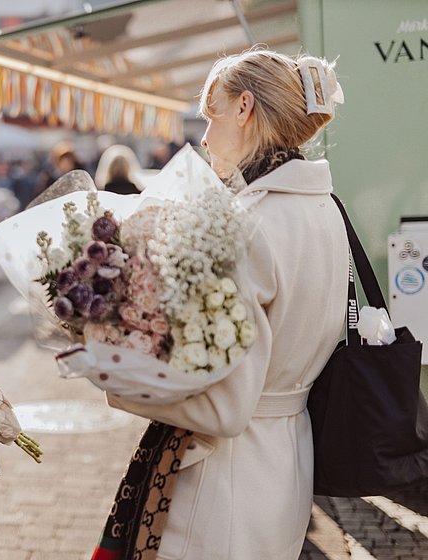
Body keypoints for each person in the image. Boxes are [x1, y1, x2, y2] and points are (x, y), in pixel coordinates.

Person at [102, 49, 349, 559]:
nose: (205, 138)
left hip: (223, 477)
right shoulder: (325, 209)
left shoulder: (249, 223)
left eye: (211, 116)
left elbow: (223, 403)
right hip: (287, 456)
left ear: (245, 108)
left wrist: (113, 368)